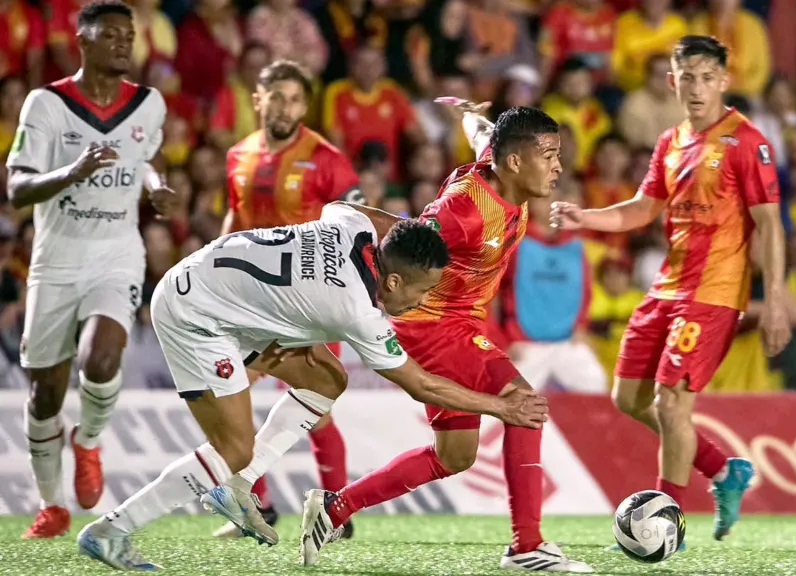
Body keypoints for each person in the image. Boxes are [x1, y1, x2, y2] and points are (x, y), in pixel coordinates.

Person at [77, 203, 549, 570]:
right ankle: (112, 529)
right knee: (232, 448)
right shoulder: (358, 312)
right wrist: (501, 408)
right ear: (394, 278)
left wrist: (412, 230)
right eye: (422, 290)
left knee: (328, 378)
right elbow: (422, 385)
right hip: (196, 316)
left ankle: (236, 485)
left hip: (218, 284)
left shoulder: (355, 229)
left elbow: (347, 206)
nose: (424, 301)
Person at [298, 105, 593, 573]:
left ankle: (335, 508)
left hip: (461, 322)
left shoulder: (502, 169)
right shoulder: (464, 210)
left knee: (454, 456)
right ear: (515, 162)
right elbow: (404, 238)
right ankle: (527, 546)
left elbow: (483, 135)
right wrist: (346, 230)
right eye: (550, 155)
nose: (560, 165)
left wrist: (472, 117)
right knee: (524, 404)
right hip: (434, 325)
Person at [549, 35, 791, 544]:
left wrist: (776, 305)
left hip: (715, 292)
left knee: (671, 403)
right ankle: (724, 471)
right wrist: (583, 215)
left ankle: (667, 523)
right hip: (667, 287)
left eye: (708, 77)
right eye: (688, 77)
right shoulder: (671, 141)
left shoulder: (747, 142)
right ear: (671, 81)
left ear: (724, 81)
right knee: (627, 397)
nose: (698, 87)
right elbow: (640, 209)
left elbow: (769, 224)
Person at [5, 0, 177, 539]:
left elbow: (144, 158)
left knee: (100, 359)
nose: (125, 43)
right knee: (45, 395)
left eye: (130, 35)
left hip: (116, 253)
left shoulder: (149, 104)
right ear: (83, 42)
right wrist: (72, 170)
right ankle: (51, 504)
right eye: (111, 35)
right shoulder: (46, 103)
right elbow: (15, 190)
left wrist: (154, 187)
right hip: (56, 259)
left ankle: (89, 440)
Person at [208, 58, 362, 541]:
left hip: (311, 302)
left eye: (295, 99)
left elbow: (354, 231)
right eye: (277, 97)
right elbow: (235, 220)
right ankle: (260, 507)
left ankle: (338, 512)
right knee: (231, 401)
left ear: (305, 104)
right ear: (258, 99)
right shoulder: (238, 155)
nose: (286, 107)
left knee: (314, 409)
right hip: (250, 303)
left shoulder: (328, 159)